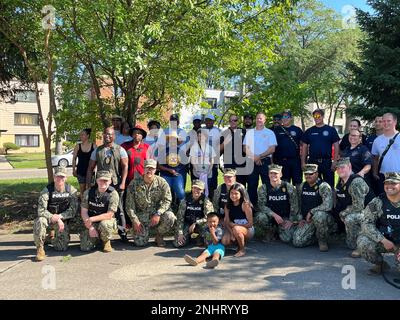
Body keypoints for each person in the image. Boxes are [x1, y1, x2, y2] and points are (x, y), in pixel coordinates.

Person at [86, 126, 129, 241]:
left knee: (119, 209)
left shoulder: (120, 150)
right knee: (100, 207)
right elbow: (90, 168)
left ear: (114, 136)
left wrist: (123, 182)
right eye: (105, 134)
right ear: (103, 135)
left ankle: (122, 232)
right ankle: (99, 232)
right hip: (101, 184)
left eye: (110, 134)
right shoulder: (97, 150)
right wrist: (89, 184)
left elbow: (125, 167)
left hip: (115, 183)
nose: (107, 136)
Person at [125, 159, 177, 247]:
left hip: (158, 215)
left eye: (152, 168)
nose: (149, 170)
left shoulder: (162, 182)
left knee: (170, 217)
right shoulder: (134, 183)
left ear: (155, 170)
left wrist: (158, 213)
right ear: (144, 169)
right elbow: (129, 205)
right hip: (142, 215)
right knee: (140, 243)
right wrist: (135, 221)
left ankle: (159, 235)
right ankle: (146, 232)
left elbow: (167, 200)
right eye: (147, 168)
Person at [357, 172, 400, 274]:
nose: (389, 186)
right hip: (385, 241)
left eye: (393, 183)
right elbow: (366, 223)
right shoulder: (377, 202)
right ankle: (380, 264)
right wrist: (383, 240)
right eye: (387, 183)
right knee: (363, 241)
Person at [33, 166, 79, 261]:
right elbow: (41, 210)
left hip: (63, 221)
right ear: (54, 177)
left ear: (66, 178)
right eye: (58, 176)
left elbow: (73, 210)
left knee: (61, 248)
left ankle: (52, 238)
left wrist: (60, 217)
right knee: (40, 220)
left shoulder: (72, 190)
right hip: (49, 220)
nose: (60, 179)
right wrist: (54, 218)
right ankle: (40, 248)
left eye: (62, 177)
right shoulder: (46, 191)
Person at [334, 157, 373, 258]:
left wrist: (343, 213)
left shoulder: (355, 182)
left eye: (342, 167)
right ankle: (352, 240)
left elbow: (358, 206)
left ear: (350, 166)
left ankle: (360, 246)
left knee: (349, 218)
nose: (339, 170)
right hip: (357, 211)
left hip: (370, 213)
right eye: (338, 168)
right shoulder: (341, 181)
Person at [255, 164, 300, 244]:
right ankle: (269, 231)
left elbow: (294, 205)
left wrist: (291, 220)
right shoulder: (263, 188)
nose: (273, 175)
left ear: (281, 174)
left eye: (276, 173)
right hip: (270, 217)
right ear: (268, 174)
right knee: (260, 217)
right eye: (271, 173)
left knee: (288, 238)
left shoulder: (288, 187)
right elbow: (261, 206)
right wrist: (274, 215)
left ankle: (279, 231)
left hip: (284, 218)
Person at [295, 164, 334, 251]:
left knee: (319, 215)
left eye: (311, 174)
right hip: (308, 220)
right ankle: (315, 237)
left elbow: (328, 205)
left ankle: (322, 241)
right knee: (297, 241)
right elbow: (299, 204)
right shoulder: (302, 186)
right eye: (306, 174)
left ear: (316, 174)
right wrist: (300, 218)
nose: (308, 176)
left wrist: (311, 212)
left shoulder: (323, 186)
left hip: (323, 219)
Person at [243, 111, 277, 206]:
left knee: (267, 185)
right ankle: (252, 209)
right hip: (251, 161)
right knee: (251, 186)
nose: (259, 120)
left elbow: (272, 149)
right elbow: (245, 148)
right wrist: (254, 157)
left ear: (265, 120)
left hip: (265, 161)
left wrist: (259, 156)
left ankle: (268, 207)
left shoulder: (270, 133)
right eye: (257, 118)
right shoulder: (250, 133)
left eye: (261, 118)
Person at [80, 171, 119, 252]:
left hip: (106, 221)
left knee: (105, 224)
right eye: (101, 180)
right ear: (97, 180)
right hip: (91, 222)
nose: (103, 182)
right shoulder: (88, 192)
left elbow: (109, 215)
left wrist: (91, 219)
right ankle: (97, 238)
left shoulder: (113, 194)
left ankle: (106, 241)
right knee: (85, 247)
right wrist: (90, 227)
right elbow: (84, 212)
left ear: (110, 181)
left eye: (106, 180)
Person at [301, 109, 340, 188]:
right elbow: (304, 148)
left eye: (319, 116)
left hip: (327, 162)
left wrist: (335, 161)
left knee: (329, 186)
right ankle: (315, 200)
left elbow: (336, 146)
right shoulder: (309, 131)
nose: (317, 117)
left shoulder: (331, 130)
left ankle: (330, 200)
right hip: (312, 162)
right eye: (315, 116)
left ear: (323, 116)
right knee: (313, 185)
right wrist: (303, 162)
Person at [174, 179, 214, 248]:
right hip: (187, 224)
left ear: (202, 190)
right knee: (178, 243)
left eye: (199, 189)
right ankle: (189, 237)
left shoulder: (206, 201)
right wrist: (180, 233)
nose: (196, 190)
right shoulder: (185, 200)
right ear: (192, 188)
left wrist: (196, 223)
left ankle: (200, 237)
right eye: (194, 188)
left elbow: (209, 217)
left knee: (209, 244)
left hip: (200, 225)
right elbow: (180, 218)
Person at [222, 183, 254, 257]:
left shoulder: (245, 204)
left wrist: (236, 226)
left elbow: (250, 224)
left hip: (248, 229)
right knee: (225, 241)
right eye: (231, 193)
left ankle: (242, 249)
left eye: (236, 193)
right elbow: (227, 222)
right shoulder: (227, 206)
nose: (233, 195)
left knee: (237, 229)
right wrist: (232, 233)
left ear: (241, 194)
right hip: (233, 228)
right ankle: (239, 240)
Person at [371, 113, 400, 195]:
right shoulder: (377, 140)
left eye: (389, 121)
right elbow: (375, 158)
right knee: (384, 200)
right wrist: (375, 173)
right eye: (383, 121)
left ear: (395, 122)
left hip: (398, 175)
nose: (386, 123)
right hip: (383, 176)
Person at [273, 110, 303, 189]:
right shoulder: (276, 130)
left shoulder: (297, 130)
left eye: (287, 117)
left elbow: (303, 145)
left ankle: (298, 201)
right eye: (283, 117)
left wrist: (303, 160)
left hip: (295, 161)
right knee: (284, 184)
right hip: (281, 161)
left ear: (291, 118)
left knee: (298, 183)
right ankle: (286, 201)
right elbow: (272, 147)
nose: (285, 118)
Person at [158, 130, 187, 204]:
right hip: (166, 174)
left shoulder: (181, 151)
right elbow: (159, 165)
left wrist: (177, 172)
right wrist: (169, 170)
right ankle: (165, 208)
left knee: (181, 193)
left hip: (177, 175)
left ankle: (183, 208)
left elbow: (184, 165)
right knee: (164, 192)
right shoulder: (163, 151)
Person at [220, 114, 248, 185]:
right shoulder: (224, 133)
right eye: (231, 120)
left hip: (241, 165)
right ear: (229, 122)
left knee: (241, 186)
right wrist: (225, 142)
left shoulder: (244, 132)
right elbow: (218, 150)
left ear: (238, 121)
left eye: (235, 120)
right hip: (229, 165)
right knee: (229, 185)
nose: (233, 122)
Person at [189, 129, 215, 196]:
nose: (200, 138)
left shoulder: (210, 148)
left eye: (202, 136)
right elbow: (192, 160)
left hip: (207, 173)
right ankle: (196, 203)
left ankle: (205, 201)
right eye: (199, 136)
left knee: (206, 188)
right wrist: (196, 170)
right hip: (197, 173)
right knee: (196, 189)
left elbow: (212, 160)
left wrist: (209, 170)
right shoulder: (194, 147)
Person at [72, 128, 95, 198]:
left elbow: (97, 159)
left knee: (90, 189)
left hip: (90, 171)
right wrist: (73, 169)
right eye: (80, 135)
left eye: (83, 135)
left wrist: (95, 168)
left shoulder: (93, 146)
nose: (81, 136)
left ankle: (90, 205)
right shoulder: (77, 146)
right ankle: (83, 205)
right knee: (82, 190)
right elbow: (74, 158)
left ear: (88, 136)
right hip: (80, 171)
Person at [204, 113, 221, 198]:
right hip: (203, 159)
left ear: (213, 121)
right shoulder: (201, 130)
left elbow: (222, 145)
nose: (208, 122)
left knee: (213, 178)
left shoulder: (218, 131)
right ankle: (204, 197)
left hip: (214, 159)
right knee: (204, 178)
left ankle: (213, 197)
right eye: (207, 120)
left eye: (210, 120)